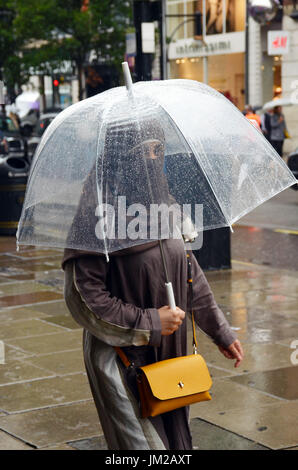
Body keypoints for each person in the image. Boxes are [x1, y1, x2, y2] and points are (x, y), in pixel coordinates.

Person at [62, 117, 244, 451]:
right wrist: (150, 321)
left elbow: (192, 276)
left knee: (176, 443)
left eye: (157, 149)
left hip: (171, 353)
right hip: (124, 357)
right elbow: (84, 298)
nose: (151, 157)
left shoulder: (167, 203)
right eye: (141, 150)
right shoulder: (94, 214)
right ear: (119, 157)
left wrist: (221, 332)